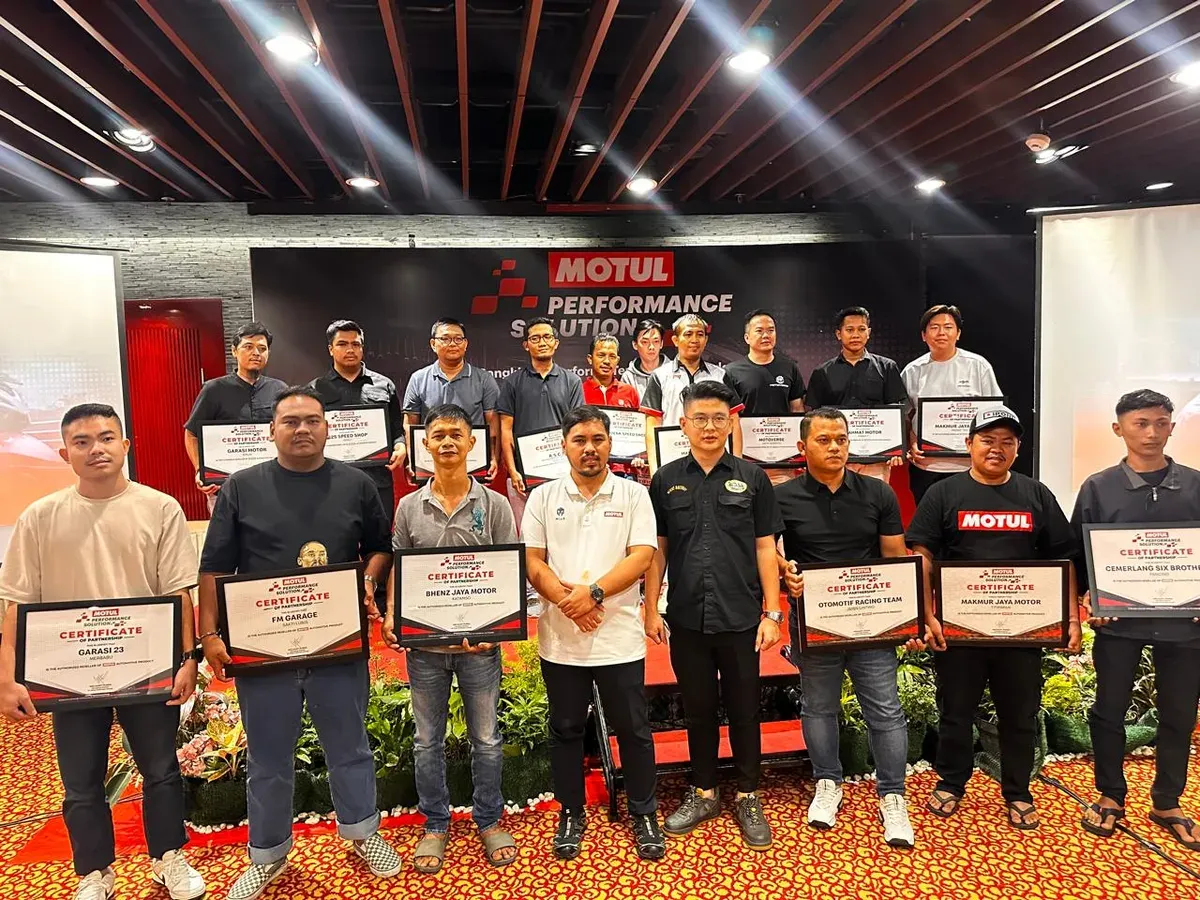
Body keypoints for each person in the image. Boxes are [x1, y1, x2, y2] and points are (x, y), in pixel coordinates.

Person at [197, 386, 401, 900]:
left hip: (337, 641)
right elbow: (214, 567)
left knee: (350, 746)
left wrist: (368, 579)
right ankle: (267, 853)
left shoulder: (356, 484)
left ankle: (363, 832)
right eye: (290, 421)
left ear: (328, 428)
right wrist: (209, 634)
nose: (302, 429)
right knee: (267, 757)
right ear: (272, 431)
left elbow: (380, 548)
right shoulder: (241, 487)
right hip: (262, 649)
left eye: (312, 420)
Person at [0, 403, 206, 900]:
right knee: (80, 780)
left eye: (107, 438)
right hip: (67, 674)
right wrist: (6, 677)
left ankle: (167, 857)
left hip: (148, 668)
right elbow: (16, 605)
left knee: (161, 769)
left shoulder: (160, 508)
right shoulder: (39, 517)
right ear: (64, 453)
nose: (97, 449)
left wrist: (188, 660)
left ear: (125, 445)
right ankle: (94, 872)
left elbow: (179, 593)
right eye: (83, 441)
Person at [907, 405, 1080, 831]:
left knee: (1020, 714)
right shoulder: (943, 494)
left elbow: (1063, 558)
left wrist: (1071, 619)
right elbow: (922, 555)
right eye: (987, 440)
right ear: (969, 444)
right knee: (955, 711)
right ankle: (951, 782)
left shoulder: (1036, 494)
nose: (996, 449)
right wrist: (926, 614)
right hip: (959, 629)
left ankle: (1018, 791)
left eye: (1007, 441)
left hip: (1023, 629)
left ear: (1018, 448)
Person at [645, 381, 783, 850]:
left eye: (718, 418)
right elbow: (657, 550)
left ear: (730, 424)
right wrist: (650, 607)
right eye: (700, 419)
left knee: (745, 709)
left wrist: (772, 612)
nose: (709, 427)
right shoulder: (665, 480)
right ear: (683, 425)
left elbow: (765, 549)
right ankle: (704, 791)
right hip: (686, 617)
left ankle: (747, 794)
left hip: (742, 616)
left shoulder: (753, 478)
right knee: (698, 709)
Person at [382, 404, 519, 874]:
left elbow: (506, 572)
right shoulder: (408, 507)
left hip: (479, 648)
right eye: (437, 434)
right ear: (424, 444)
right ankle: (436, 823)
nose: (446, 442)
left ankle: (489, 819)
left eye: (455, 435)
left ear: (472, 442)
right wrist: (393, 616)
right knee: (426, 741)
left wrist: (496, 629)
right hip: (424, 650)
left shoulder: (494, 505)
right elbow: (400, 569)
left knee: (487, 739)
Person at [523, 406, 663, 861]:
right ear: (564, 445)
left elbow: (642, 556)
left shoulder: (634, 494)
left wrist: (594, 594)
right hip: (561, 639)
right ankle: (571, 811)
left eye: (598, 439)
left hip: (618, 636)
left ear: (610, 444)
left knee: (634, 730)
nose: (589, 448)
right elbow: (533, 561)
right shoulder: (542, 497)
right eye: (580, 440)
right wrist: (570, 602)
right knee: (565, 729)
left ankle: (644, 812)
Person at [774, 407, 918, 848]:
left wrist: (907, 616)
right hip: (814, 620)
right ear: (802, 447)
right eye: (824, 440)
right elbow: (766, 552)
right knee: (819, 706)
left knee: (885, 709)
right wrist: (784, 570)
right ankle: (827, 782)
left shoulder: (878, 492)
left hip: (874, 620)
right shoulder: (782, 497)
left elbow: (895, 556)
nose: (835, 447)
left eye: (841, 439)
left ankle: (893, 795)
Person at [1070, 389, 1200, 849]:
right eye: (1140, 423)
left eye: (1161, 423)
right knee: (1109, 710)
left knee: (1179, 715)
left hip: (1186, 627)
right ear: (1118, 428)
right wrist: (1089, 598)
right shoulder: (1097, 487)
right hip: (1118, 624)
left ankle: (1167, 801)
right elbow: (1079, 555)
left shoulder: (1196, 485)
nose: (1151, 432)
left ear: (1172, 427)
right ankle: (1110, 795)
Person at [308, 320, 407, 613]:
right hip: (332, 482)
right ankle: (341, 599)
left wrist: (400, 446)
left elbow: (396, 428)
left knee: (380, 539)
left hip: (378, 479)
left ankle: (379, 598)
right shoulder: (315, 389)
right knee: (337, 538)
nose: (350, 349)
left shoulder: (384, 385)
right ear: (330, 349)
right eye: (342, 344)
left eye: (356, 344)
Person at [901, 305, 1002, 503]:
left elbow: (995, 412)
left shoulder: (977, 365)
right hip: (926, 466)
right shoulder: (912, 371)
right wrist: (911, 443)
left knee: (966, 519)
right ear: (923, 335)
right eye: (934, 327)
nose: (941, 332)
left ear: (958, 333)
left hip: (968, 466)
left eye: (948, 327)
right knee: (929, 519)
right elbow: (905, 415)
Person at [184, 322, 287, 512]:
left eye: (262, 348)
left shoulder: (280, 389)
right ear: (234, 351)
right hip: (225, 489)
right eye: (248, 347)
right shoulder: (214, 389)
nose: (256, 353)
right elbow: (191, 434)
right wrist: (200, 470)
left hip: (272, 486)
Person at [806, 306, 908, 483]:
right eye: (849, 330)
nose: (855, 335)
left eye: (861, 329)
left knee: (874, 500)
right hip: (835, 458)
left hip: (877, 459)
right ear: (839, 334)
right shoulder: (822, 372)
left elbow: (897, 411)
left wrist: (897, 448)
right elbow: (815, 417)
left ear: (868, 333)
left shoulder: (887, 367)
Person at [402, 318, 500, 484]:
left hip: (473, 463)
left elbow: (493, 424)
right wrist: (412, 460)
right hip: (431, 465)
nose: (453, 343)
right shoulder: (418, 379)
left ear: (465, 344)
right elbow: (409, 425)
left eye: (458, 339)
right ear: (433, 344)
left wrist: (493, 458)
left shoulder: (484, 379)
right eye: (445, 339)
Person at [496, 317, 584, 499]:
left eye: (547, 337)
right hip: (524, 476)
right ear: (526, 345)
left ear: (556, 343)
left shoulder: (572, 381)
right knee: (526, 520)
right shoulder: (512, 382)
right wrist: (512, 470)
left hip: (563, 472)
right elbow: (506, 430)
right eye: (535, 338)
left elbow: (577, 429)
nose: (542, 343)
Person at [641, 314, 743, 469]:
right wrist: (655, 470)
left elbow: (734, 421)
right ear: (675, 340)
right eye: (688, 334)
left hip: (716, 462)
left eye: (700, 334)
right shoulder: (659, 376)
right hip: (673, 461)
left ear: (706, 340)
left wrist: (738, 466)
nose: (694, 340)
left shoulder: (720, 375)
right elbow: (652, 427)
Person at [723, 309, 805, 485]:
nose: (766, 335)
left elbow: (797, 409)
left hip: (784, 457)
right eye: (759, 331)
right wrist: (736, 458)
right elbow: (731, 419)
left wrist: (797, 454)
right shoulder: (731, 372)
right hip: (748, 456)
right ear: (747, 338)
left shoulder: (789, 368)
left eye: (771, 330)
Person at [582, 335, 643, 479]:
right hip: (590, 469)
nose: (607, 361)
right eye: (601, 355)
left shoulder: (629, 392)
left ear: (618, 360)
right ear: (590, 359)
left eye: (612, 356)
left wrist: (640, 455)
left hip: (625, 471)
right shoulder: (579, 391)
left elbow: (640, 431)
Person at [621, 319, 666, 400]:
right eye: (645, 342)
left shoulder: (674, 373)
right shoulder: (628, 377)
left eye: (656, 341)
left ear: (661, 344)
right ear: (635, 345)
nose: (651, 347)